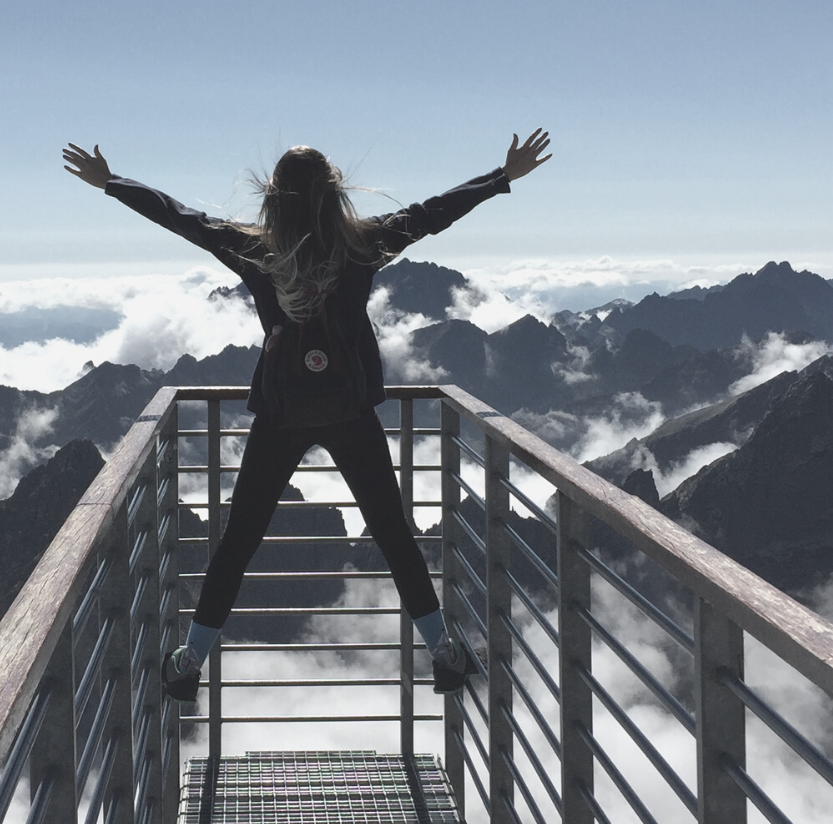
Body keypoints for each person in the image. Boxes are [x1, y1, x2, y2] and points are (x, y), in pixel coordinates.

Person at [63, 132, 551, 702]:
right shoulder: (363, 245)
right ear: (334, 191)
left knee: (239, 539)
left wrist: (112, 182)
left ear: (273, 198)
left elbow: (182, 218)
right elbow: (432, 214)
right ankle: (443, 649)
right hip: (349, 410)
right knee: (394, 534)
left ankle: (190, 659)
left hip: (282, 413)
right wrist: (501, 175)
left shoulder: (253, 249)